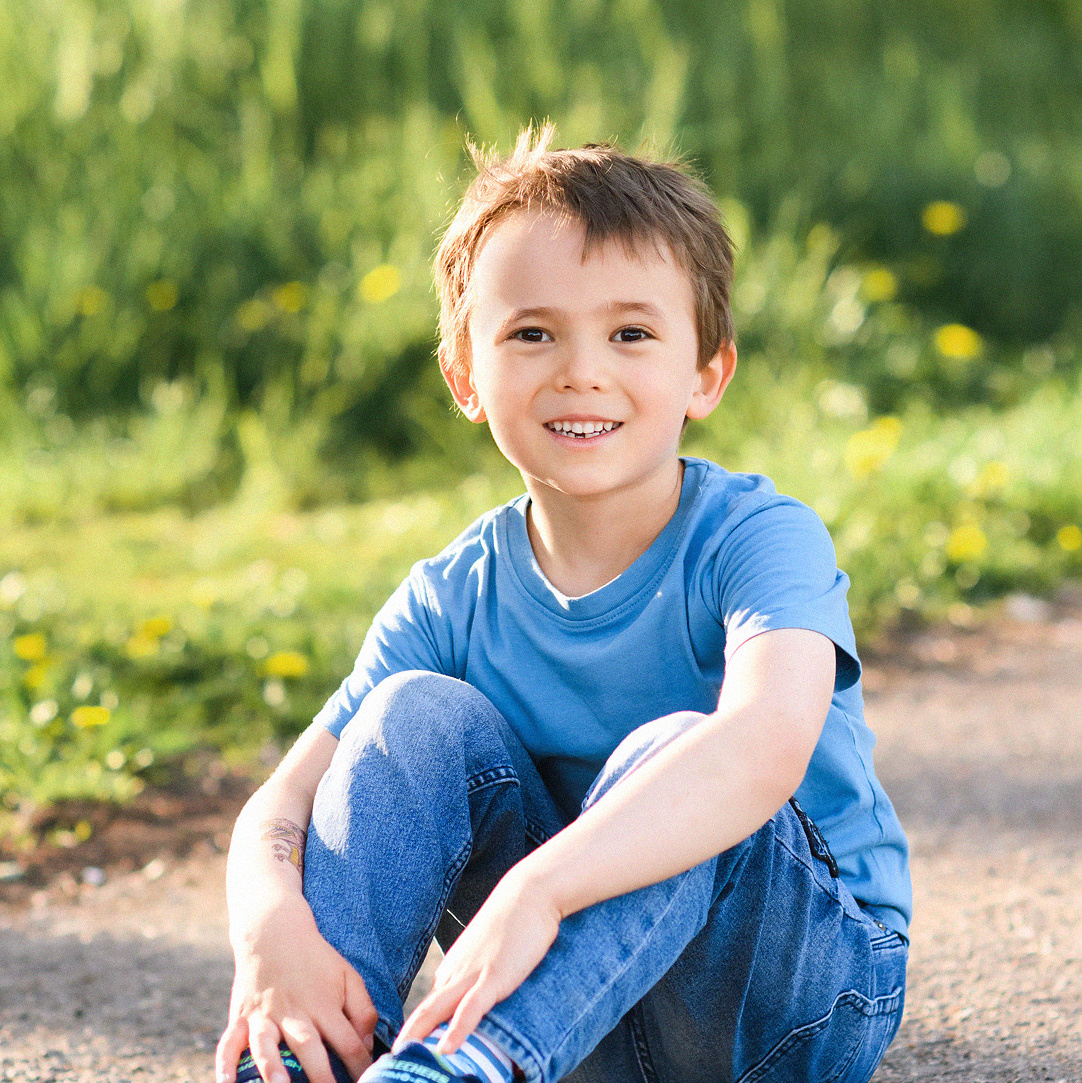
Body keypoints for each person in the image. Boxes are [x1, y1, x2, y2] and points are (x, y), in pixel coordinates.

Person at [216, 125, 912, 1083]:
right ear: (466, 375)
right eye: (532, 332)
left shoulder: (759, 537)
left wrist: (539, 888)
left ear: (706, 373)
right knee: (409, 713)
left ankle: (453, 1069)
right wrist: (267, 929)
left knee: (676, 754)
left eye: (631, 333)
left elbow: (762, 747)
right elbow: (280, 806)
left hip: (789, 1007)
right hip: (579, 1014)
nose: (581, 369)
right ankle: (306, 1061)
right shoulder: (450, 595)